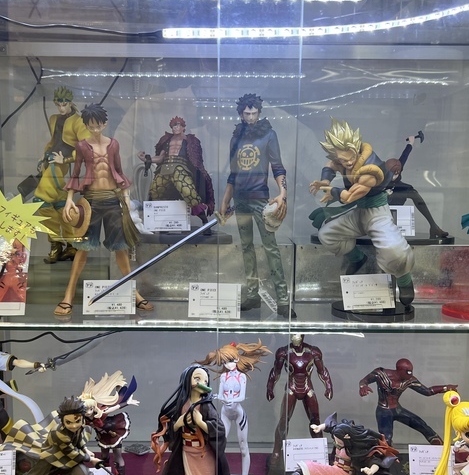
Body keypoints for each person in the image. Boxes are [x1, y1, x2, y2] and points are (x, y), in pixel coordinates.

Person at [57, 103, 152, 315]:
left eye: (98, 125)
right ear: (86, 125)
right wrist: (69, 199)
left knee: (121, 249)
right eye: (90, 126)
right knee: (82, 249)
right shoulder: (82, 146)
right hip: (90, 202)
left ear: (104, 124)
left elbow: (119, 171)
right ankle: (68, 294)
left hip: (112, 200)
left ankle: (135, 294)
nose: (95, 129)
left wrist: (126, 199)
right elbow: (76, 173)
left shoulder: (113, 144)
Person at [309, 118, 415, 307]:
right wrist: (325, 180)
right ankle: (357, 258)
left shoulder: (371, 168)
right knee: (327, 235)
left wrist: (333, 191)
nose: (348, 162)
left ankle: (404, 279)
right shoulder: (341, 159)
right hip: (359, 213)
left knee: (395, 251)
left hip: (377, 214)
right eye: (343, 160)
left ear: (357, 149)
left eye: (351, 157)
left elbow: (349, 197)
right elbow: (331, 165)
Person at [219, 93, 293, 319]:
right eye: (246, 113)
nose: (250, 117)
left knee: (270, 247)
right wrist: (225, 200)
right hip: (240, 199)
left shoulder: (269, 135)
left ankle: (283, 299)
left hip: (261, 198)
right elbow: (233, 173)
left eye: (253, 113)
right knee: (246, 247)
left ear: (259, 112)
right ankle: (252, 294)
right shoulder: (236, 137)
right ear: (241, 114)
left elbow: (278, 167)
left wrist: (282, 193)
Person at [152, 365, 230, 475]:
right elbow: (169, 431)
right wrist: (178, 424)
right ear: (187, 380)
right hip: (187, 455)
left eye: (205, 380)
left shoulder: (206, 407)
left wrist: (201, 423)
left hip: (204, 457)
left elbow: (220, 430)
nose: (201, 382)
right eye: (197, 378)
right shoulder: (181, 406)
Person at [34, 86, 91, 263]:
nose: (61, 108)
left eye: (64, 104)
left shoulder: (78, 122)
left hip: (60, 165)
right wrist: (45, 154)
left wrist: (65, 159)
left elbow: (86, 147)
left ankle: (55, 242)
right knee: (60, 204)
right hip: (50, 161)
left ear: (70, 102)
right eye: (58, 104)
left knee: (40, 200)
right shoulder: (54, 119)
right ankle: (71, 245)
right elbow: (54, 140)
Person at [197, 340, 271, 475]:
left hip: (238, 413)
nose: (228, 364)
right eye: (225, 361)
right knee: (220, 444)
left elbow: (241, 396)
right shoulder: (223, 376)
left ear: (237, 359)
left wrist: (230, 400)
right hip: (225, 412)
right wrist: (216, 396)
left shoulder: (241, 377)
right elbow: (220, 394)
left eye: (230, 360)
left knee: (243, 446)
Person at [265, 334, 334, 465]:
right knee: (283, 420)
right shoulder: (284, 352)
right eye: (293, 334)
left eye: (298, 333)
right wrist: (269, 387)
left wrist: (329, 386)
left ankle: (321, 452)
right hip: (292, 387)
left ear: (303, 335)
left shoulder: (313, 351)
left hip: (308, 388)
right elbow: (276, 371)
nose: (295, 336)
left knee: (315, 421)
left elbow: (322, 371)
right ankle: (276, 451)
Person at [358, 358, 455, 445]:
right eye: (407, 372)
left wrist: (446, 388)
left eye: (411, 372)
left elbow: (427, 391)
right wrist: (363, 386)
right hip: (383, 411)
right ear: (399, 370)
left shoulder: (409, 380)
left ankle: (439, 447)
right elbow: (364, 380)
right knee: (386, 439)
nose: (410, 375)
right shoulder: (380, 374)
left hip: (397, 409)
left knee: (421, 424)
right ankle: (384, 456)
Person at [138, 116, 215, 225]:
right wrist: (146, 159)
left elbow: (196, 160)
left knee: (189, 193)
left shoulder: (190, 141)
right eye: (174, 125)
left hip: (180, 168)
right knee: (155, 192)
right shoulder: (166, 141)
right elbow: (160, 158)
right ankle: (160, 223)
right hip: (165, 169)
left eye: (178, 125)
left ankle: (204, 221)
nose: (176, 127)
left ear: (183, 127)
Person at [79, 371, 139, 475]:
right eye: (85, 409)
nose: (87, 412)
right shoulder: (84, 419)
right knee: (104, 457)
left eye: (89, 409)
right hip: (102, 436)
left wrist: (127, 402)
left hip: (113, 431)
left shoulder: (101, 413)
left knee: (117, 457)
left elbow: (116, 406)